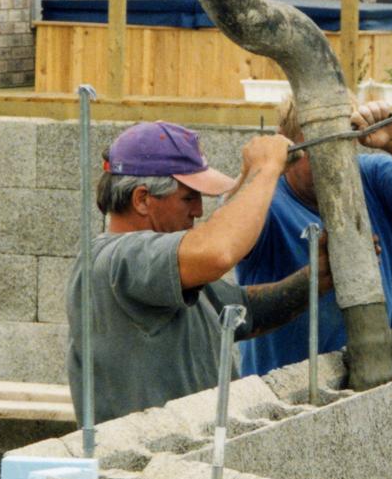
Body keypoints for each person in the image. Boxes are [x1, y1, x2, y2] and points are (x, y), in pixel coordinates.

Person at [66, 120, 330, 423]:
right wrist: (267, 168)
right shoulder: (118, 258)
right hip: (154, 464)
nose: (198, 211)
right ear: (142, 200)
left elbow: (246, 313)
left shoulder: (165, 268)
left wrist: (316, 278)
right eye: (188, 198)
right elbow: (219, 252)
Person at [237, 95, 392, 374]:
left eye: (342, 145)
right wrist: (260, 173)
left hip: (377, 373)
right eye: (318, 149)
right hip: (286, 386)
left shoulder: (369, 177)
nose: (332, 163)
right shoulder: (265, 203)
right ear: (288, 145)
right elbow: (223, 247)